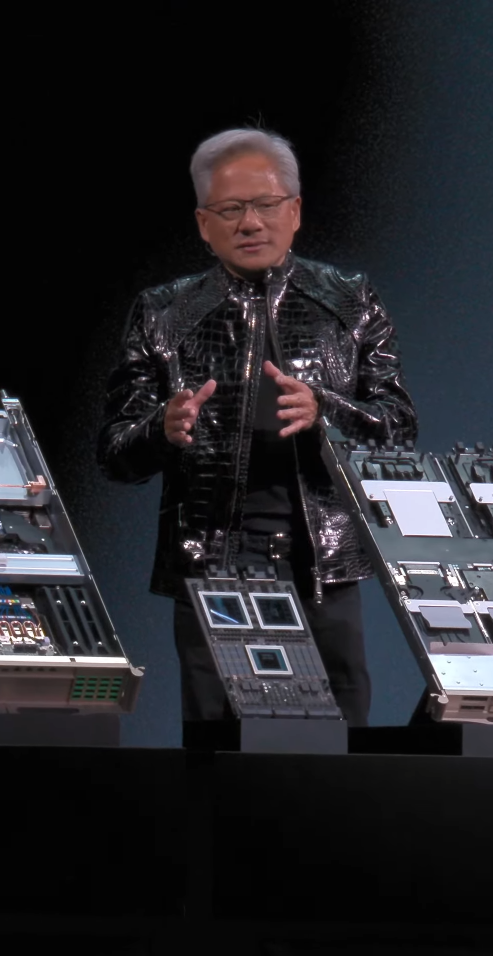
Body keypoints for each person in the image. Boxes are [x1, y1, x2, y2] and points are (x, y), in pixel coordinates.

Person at [97, 127, 416, 726]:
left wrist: (326, 412)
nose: (250, 223)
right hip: (212, 559)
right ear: (203, 223)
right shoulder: (163, 313)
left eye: (266, 205)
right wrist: (162, 429)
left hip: (323, 560)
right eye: (230, 210)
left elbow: (398, 430)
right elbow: (114, 453)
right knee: (220, 746)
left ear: (294, 211)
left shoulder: (349, 301)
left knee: (341, 745)